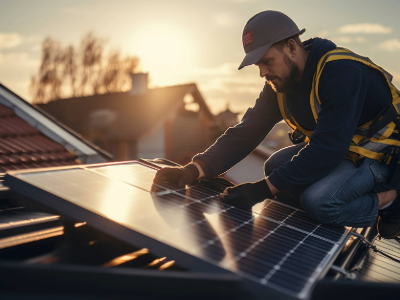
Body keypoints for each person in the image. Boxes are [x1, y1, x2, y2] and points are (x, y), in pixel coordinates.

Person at [154, 10, 400, 239]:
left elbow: (328, 149)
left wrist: (259, 191)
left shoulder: (341, 72)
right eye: (257, 65)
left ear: (291, 47)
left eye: (267, 61)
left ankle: (391, 200)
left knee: (320, 203)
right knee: (275, 166)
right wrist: (195, 169)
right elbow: (247, 131)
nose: (262, 72)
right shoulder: (280, 84)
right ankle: (305, 235)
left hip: (383, 157)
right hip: (346, 150)